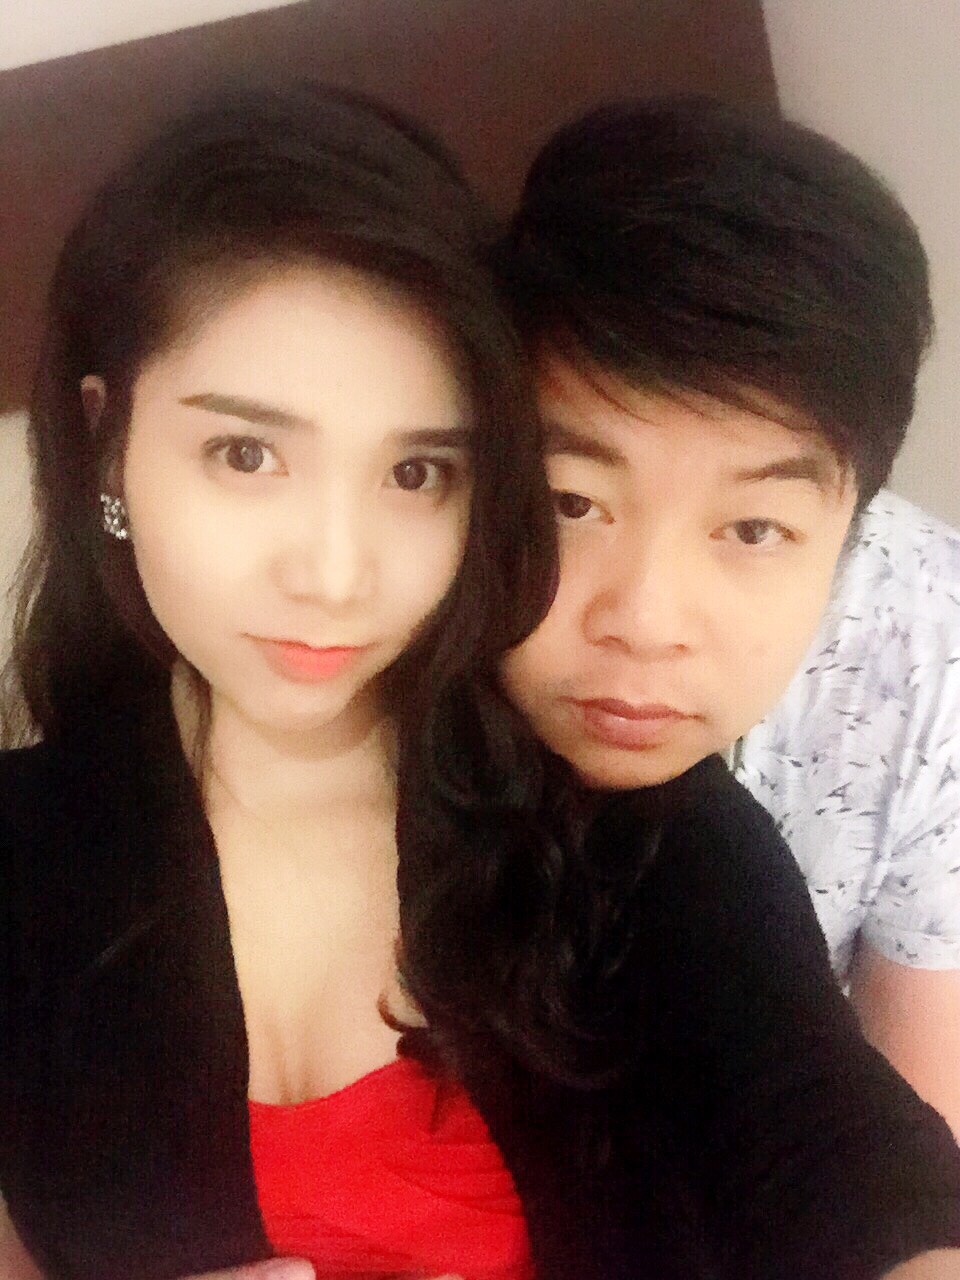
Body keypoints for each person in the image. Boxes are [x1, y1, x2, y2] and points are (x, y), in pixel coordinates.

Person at [1, 86, 958, 1280]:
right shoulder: (28, 852)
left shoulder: (627, 834)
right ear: (107, 445)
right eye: (244, 453)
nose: (333, 574)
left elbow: (836, 1144)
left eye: (416, 473)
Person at [497, 89, 960, 1141]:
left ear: (853, 524)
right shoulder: (381, 629)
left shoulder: (932, 655)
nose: (646, 621)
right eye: (571, 503)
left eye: (754, 528)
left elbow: (908, 1149)